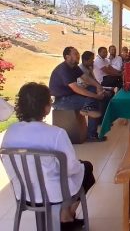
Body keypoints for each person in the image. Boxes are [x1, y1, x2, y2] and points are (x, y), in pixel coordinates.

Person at [1, 82, 96, 230]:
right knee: (86, 168)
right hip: (55, 195)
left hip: (25, 194)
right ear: (46, 108)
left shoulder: (10, 133)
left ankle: (66, 218)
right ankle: (66, 217)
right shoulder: (56, 133)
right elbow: (71, 169)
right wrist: (80, 165)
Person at [49, 47, 106, 142]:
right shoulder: (63, 69)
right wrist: (96, 96)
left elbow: (86, 78)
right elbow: (76, 88)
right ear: (67, 57)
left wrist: (98, 86)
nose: (78, 55)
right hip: (61, 101)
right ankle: (91, 134)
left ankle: (87, 108)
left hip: (71, 96)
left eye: (78, 53)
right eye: (75, 53)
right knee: (94, 100)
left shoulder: (74, 67)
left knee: (92, 89)